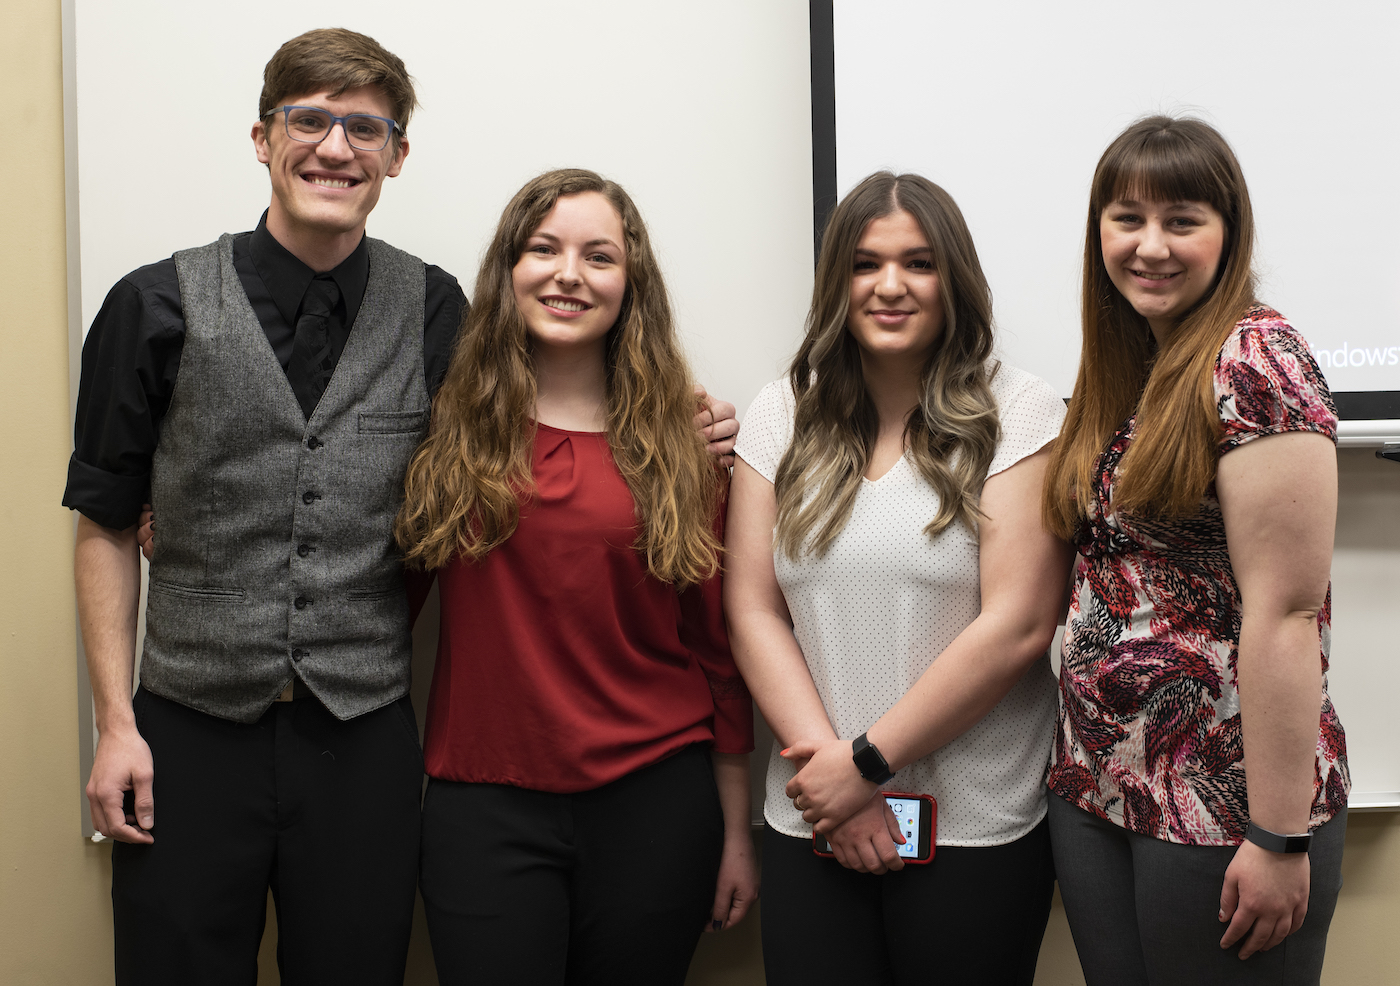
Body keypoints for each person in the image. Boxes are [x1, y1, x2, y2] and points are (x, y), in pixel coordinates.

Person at [66, 30, 738, 983]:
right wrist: (114, 727)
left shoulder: (436, 313)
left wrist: (686, 420)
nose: (335, 148)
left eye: (364, 127)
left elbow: (546, 410)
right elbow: (102, 521)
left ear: (396, 154)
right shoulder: (151, 305)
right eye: (308, 119)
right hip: (186, 723)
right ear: (263, 138)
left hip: (362, 737)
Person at [392, 169, 757, 986]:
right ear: (508, 269)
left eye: (599, 256)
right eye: (544, 249)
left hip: (655, 803)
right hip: (481, 803)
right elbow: (374, 596)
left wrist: (737, 830)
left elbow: (717, 647)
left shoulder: (685, 450)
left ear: (631, 286)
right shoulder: (442, 430)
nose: (568, 274)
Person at [724, 171, 1073, 985]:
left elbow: (1019, 623)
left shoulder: (1018, 412)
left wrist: (868, 765)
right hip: (813, 815)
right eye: (864, 263)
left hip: (975, 822)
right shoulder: (783, 411)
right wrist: (832, 779)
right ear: (835, 281)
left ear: (954, 280)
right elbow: (752, 611)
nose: (889, 286)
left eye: (918, 263)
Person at [1041, 116, 1350, 985]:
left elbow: (1287, 614)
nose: (1150, 246)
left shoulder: (1255, 358)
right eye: (1126, 218)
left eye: (1182, 219)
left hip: (1223, 804)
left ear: (1228, 231)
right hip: (1099, 782)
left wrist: (1279, 836)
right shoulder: (1133, 359)